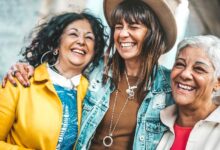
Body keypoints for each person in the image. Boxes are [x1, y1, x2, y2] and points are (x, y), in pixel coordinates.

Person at [2, 0, 177, 149]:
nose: (123, 34)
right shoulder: (95, 71)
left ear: (153, 34)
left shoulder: (170, 88)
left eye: (133, 27)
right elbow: (61, 67)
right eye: (118, 26)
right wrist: (26, 68)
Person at [0, 12, 107, 149]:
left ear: (94, 52)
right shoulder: (19, 81)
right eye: (73, 34)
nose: (81, 41)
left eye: (89, 37)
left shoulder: (94, 95)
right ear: (56, 44)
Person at [156, 35, 220, 150]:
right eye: (180, 64)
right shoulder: (156, 118)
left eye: (199, 69)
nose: (185, 74)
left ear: (218, 83)